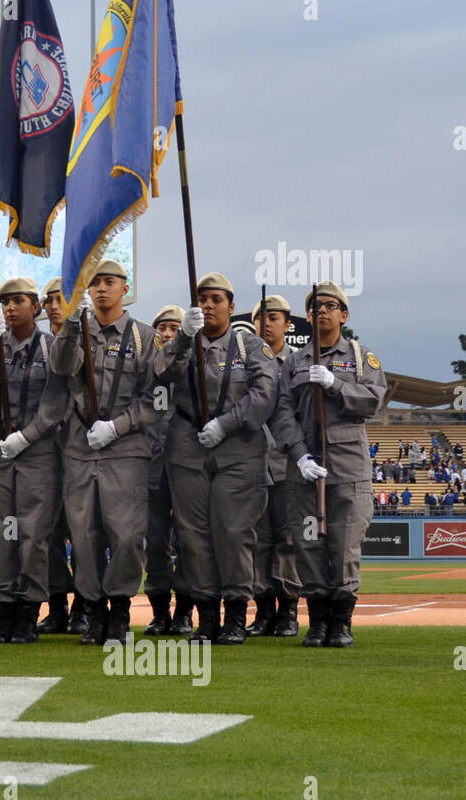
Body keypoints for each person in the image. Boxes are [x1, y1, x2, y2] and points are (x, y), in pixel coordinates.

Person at [153, 273, 278, 643]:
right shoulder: (185, 342)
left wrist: (226, 424)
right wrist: (180, 339)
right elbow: (160, 373)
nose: (208, 305)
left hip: (238, 451)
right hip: (187, 448)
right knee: (193, 537)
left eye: (216, 299)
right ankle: (207, 617)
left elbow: (265, 394)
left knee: (233, 533)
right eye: (202, 299)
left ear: (231, 306)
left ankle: (236, 614)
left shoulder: (250, 345)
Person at [49, 260, 161, 645]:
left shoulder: (144, 337)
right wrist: (70, 326)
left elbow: (157, 399)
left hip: (126, 452)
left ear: (124, 289)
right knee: (83, 536)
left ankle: (120, 611)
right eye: (94, 282)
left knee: (127, 537)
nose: (100, 289)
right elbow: (62, 368)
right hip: (80, 451)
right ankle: (94, 613)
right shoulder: (76, 332)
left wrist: (118, 426)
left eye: (109, 282)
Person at [270, 280, 387, 647]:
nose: (321, 311)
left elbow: (373, 401)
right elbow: (282, 414)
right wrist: (299, 455)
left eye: (329, 305)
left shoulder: (360, 357)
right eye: (315, 307)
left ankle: (341, 623)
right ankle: (318, 622)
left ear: (344, 313)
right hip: (305, 471)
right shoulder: (293, 361)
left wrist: (336, 384)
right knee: (307, 545)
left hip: (348, 471)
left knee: (345, 546)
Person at [0, 276, 70, 642]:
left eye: (19, 301)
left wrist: (25, 436)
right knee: (3, 532)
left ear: (36, 307)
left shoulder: (50, 347)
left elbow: (56, 402)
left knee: (32, 535)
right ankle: (5, 610)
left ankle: (28, 612)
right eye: (6, 301)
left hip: (37, 452)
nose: (11, 307)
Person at [249, 294, 302, 637]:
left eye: (274, 317)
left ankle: (289, 611)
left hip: (285, 463)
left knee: (288, 539)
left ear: (287, 324)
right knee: (256, 540)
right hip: (251, 463)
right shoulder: (244, 361)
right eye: (261, 318)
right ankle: (264, 609)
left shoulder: (298, 363)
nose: (267, 323)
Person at [143, 306, 194, 636]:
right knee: (156, 542)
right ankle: (160, 612)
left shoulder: (191, 367)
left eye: (174, 327)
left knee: (190, 541)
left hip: (186, 463)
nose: (166, 333)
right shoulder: (145, 367)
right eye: (161, 327)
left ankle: (185, 612)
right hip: (150, 465)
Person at [34, 277, 81, 635]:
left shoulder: (88, 340)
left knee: (84, 532)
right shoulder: (37, 345)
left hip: (80, 446)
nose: (53, 305)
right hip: (44, 449)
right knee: (47, 533)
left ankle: (83, 604)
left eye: (60, 299)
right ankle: (57, 605)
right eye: (48, 300)